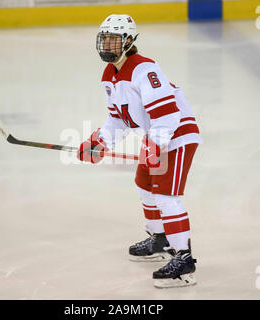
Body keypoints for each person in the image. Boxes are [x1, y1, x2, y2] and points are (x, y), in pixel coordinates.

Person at [77, 14, 202, 288]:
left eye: (114, 40)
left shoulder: (145, 70)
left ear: (129, 41)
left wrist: (155, 145)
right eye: (105, 39)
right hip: (157, 137)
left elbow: (168, 115)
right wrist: (100, 142)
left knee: (166, 196)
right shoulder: (109, 75)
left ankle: (184, 261)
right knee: (144, 185)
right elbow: (119, 120)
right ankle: (160, 238)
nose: (107, 45)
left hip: (178, 135)